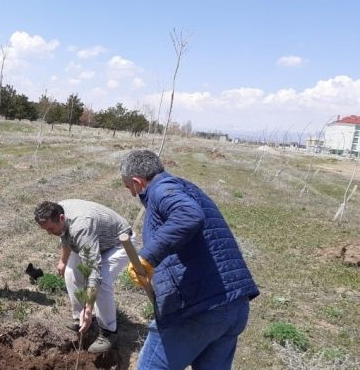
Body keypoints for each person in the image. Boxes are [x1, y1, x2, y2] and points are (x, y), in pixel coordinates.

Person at [120, 149, 259, 370]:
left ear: (137, 182)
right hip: (235, 305)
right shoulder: (186, 187)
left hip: (200, 309)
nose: (131, 194)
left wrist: (147, 257)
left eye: (129, 188)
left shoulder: (161, 190)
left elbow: (188, 215)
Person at [33, 199, 133, 354]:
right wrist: (62, 260)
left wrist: (89, 307)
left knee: (103, 281)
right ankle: (80, 319)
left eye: (50, 229)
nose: (49, 233)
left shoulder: (82, 227)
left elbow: (94, 271)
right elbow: (66, 235)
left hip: (117, 243)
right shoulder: (58, 211)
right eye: (46, 229)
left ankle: (108, 332)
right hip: (93, 242)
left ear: (61, 218)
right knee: (70, 272)